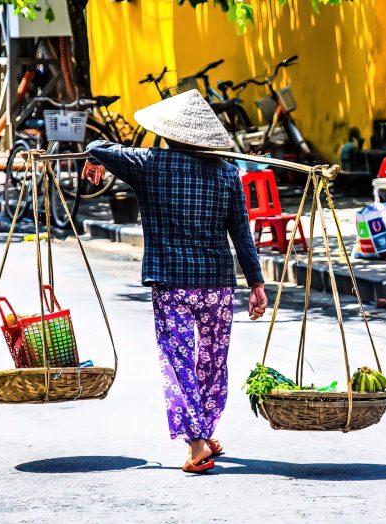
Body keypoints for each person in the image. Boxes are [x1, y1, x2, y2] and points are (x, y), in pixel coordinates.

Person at [83, 90, 267, 474]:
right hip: (216, 284)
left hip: (172, 284)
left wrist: (93, 159)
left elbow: (100, 144)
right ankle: (204, 430)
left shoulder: (149, 163)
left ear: (167, 134)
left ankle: (198, 442)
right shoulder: (228, 172)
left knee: (178, 360)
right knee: (213, 361)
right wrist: (257, 283)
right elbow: (241, 233)